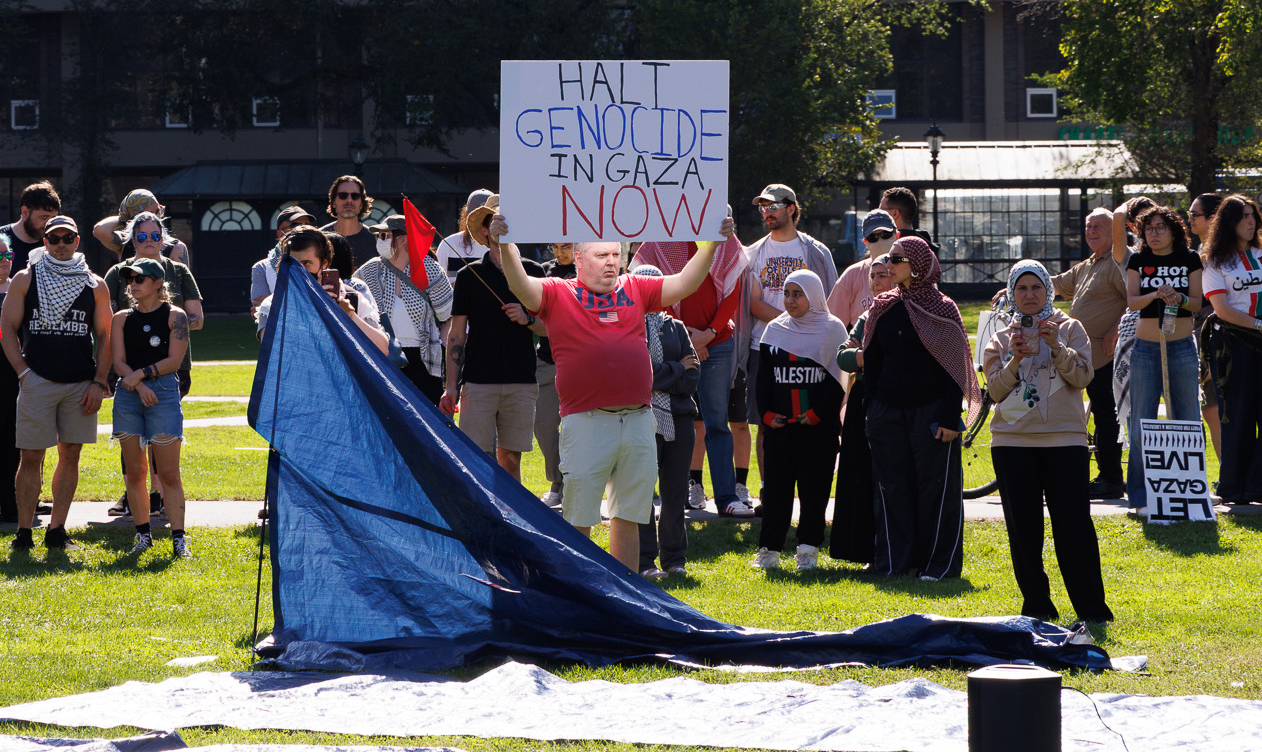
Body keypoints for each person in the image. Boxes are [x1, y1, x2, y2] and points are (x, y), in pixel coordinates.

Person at [496, 219, 732, 572]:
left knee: (629, 514)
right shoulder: (558, 292)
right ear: (577, 258)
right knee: (579, 515)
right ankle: (581, 595)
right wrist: (505, 245)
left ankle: (627, 595)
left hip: (638, 420)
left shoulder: (636, 286)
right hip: (586, 421)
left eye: (615, 254)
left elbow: (684, 283)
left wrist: (711, 244)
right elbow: (521, 286)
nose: (610, 261)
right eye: (600, 254)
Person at [984, 259, 1113, 622]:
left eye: (1036, 287)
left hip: (1065, 443)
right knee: (1024, 533)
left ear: (1048, 290)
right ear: (1012, 293)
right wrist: (1014, 360)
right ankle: (1037, 608)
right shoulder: (1000, 336)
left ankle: (1091, 609)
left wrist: (1056, 346)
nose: (1029, 295)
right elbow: (994, 391)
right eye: (1021, 289)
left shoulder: (1071, 328)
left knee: (1074, 527)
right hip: (1012, 444)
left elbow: (1084, 377)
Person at [862, 237, 980, 579]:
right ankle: (894, 565)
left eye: (896, 259)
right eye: (888, 258)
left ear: (916, 265)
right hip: (887, 414)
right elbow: (873, 359)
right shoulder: (883, 306)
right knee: (890, 491)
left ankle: (938, 567)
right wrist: (871, 408)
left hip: (931, 415)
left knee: (936, 492)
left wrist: (948, 418)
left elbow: (953, 369)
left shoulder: (942, 307)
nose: (889, 264)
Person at [1, 216, 112, 551]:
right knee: (31, 455)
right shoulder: (26, 278)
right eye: (54, 239)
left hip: (80, 383)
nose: (61, 244)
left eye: (68, 238)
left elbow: (105, 336)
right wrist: (23, 372)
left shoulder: (95, 284)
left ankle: (57, 530)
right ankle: (23, 532)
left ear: (78, 241)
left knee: (71, 454)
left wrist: (99, 381)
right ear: (44, 242)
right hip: (37, 380)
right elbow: (6, 328)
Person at [631, 212, 752, 518]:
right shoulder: (661, 238)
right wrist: (688, 339)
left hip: (719, 341)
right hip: (674, 342)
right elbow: (654, 289)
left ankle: (726, 497)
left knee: (716, 421)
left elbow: (732, 294)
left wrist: (709, 334)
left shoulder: (725, 240)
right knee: (671, 421)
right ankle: (683, 493)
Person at [102, 212, 204, 518]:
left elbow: (196, 317)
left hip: (172, 368)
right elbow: (108, 320)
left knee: (162, 432)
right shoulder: (117, 272)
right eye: (142, 236)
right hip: (126, 367)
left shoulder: (178, 270)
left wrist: (168, 321)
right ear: (133, 240)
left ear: (164, 239)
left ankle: (159, 495)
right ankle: (131, 495)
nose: (149, 241)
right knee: (131, 434)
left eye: (155, 236)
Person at [438, 195, 546, 482]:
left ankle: (515, 524)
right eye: (495, 222)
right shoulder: (468, 276)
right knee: (476, 462)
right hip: (477, 381)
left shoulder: (535, 272)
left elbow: (551, 328)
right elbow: (456, 335)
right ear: (485, 230)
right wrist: (451, 387)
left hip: (521, 381)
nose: (502, 227)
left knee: (510, 461)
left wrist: (528, 319)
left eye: (508, 222)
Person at [742, 184, 837, 504]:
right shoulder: (753, 253)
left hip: (813, 352)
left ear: (792, 208)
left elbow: (829, 301)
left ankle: (810, 492)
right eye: (762, 207)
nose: (767, 212)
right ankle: (771, 490)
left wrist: (804, 331)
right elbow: (754, 303)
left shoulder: (816, 252)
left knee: (812, 420)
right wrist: (788, 326)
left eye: (773, 206)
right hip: (765, 348)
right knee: (767, 423)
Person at [752, 269, 846, 572]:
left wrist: (818, 414)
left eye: (798, 294)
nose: (790, 300)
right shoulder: (774, 329)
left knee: (814, 491)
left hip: (818, 430)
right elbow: (763, 379)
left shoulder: (833, 331)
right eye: (787, 294)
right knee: (777, 492)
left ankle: (808, 549)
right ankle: (770, 550)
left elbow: (839, 380)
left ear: (814, 296)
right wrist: (766, 415)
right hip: (781, 430)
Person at [1121, 203, 1202, 511]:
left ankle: (1191, 490)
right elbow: (1132, 301)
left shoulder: (1190, 259)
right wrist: (1156, 294)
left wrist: (1178, 297)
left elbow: (1196, 304)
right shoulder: (1139, 260)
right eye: (1148, 229)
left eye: (1159, 228)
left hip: (1181, 346)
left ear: (1173, 231)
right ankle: (1140, 495)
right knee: (1142, 418)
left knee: (1188, 418)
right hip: (1145, 348)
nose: (1153, 235)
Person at [110, 258, 192, 558]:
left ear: (158, 283)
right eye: (130, 278)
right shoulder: (120, 318)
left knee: (169, 473)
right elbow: (117, 360)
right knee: (135, 472)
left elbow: (174, 360)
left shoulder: (176, 316)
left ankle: (179, 539)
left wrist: (142, 375)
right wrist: (137, 384)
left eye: (140, 279)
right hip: (130, 393)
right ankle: (143, 536)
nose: (133, 283)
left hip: (164, 392)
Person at [1048, 207, 1130, 500]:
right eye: (1088, 227)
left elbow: (1134, 299)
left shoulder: (1119, 262)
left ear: (1114, 232)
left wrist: (1116, 329)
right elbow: (1055, 284)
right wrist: (1018, 284)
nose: (1091, 231)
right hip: (1084, 357)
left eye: (1098, 227)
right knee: (1096, 417)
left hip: (1108, 356)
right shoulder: (1088, 265)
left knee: (1108, 418)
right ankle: (1102, 475)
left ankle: (1110, 479)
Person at [632, 264, 700, 580]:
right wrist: (675, 369)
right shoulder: (625, 325)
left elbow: (693, 376)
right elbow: (634, 377)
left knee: (675, 495)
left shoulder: (677, 327)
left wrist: (660, 373)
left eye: (657, 287)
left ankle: (674, 559)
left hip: (680, 420)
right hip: (641, 418)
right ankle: (645, 560)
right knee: (642, 493)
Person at [831, 254, 893, 564]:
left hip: (894, 401)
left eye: (884, 275)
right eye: (874, 276)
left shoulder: (912, 312)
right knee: (859, 476)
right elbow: (843, 355)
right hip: (863, 401)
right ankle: (862, 550)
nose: (878, 282)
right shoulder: (868, 316)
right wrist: (863, 358)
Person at [1201, 195, 1262, 505]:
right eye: (1243, 217)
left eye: (1253, 215)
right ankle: (1233, 488)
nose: (1251, 222)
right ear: (1229, 222)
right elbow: (1221, 309)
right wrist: (1259, 326)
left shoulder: (1261, 254)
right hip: (1233, 344)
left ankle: (1257, 486)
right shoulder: (1214, 261)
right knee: (1237, 415)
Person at [355, 214, 453, 404]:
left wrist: (446, 358)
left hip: (425, 361)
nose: (379, 241)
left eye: (384, 236)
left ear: (403, 239)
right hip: (382, 357)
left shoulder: (430, 270)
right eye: (378, 236)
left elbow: (449, 319)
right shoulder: (368, 271)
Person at [254, 226, 389, 355]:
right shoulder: (273, 304)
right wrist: (310, 308)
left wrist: (350, 316)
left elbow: (382, 349)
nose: (299, 269)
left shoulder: (351, 299)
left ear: (324, 264)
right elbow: (273, 350)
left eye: (307, 263)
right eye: (292, 263)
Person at [534, 241, 576, 507]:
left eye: (566, 247)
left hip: (579, 360)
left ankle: (569, 484)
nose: (560, 253)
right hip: (547, 359)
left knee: (577, 427)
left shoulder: (588, 270)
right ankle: (557, 480)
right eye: (556, 247)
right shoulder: (543, 271)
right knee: (543, 426)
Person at [1188, 193, 1225, 461]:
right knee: (1210, 410)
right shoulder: (1200, 253)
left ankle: (1233, 476)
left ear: (1212, 218)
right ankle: (1228, 475)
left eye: (1194, 215)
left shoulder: (1219, 255)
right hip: (1200, 337)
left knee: (1216, 411)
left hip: (1216, 339)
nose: (1189, 219)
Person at [827, 209, 898, 328]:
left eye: (885, 235)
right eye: (873, 237)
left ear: (897, 236)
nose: (880, 240)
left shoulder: (910, 271)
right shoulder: (852, 275)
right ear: (865, 242)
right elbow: (833, 325)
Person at [93, 189, 191, 266]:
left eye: (159, 210)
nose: (158, 217)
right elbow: (99, 230)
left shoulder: (176, 247)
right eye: (152, 214)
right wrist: (126, 218)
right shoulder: (126, 243)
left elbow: (183, 287)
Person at [252, 205, 317, 311]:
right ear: (280, 234)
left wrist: (275, 304)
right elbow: (260, 310)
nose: (301, 229)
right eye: (294, 225)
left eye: (306, 225)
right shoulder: (262, 268)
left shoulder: (320, 261)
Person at [435, 189, 494, 286]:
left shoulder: (507, 248)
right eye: (476, 216)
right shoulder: (448, 245)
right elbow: (437, 286)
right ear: (466, 215)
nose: (481, 222)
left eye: (487, 217)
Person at [320, 175, 375, 276]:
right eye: (343, 195)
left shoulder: (375, 240)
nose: (349, 200)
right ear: (333, 203)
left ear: (361, 204)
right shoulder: (320, 238)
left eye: (355, 196)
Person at [0, 181, 60, 272]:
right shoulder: (1, 239)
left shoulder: (56, 243)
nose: (49, 224)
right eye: (44, 218)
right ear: (25, 212)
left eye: (53, 218)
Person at [0, 239, 18, 523]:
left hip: (15, 375)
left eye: (8, 253)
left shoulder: (20, 289)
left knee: (14, 443)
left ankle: (13, 504)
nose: (4, 259)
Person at [878, 187, 940, 255]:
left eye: (881, 211)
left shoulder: (890, 245)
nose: (878, 214)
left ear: (895, 213)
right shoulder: (925, 245)